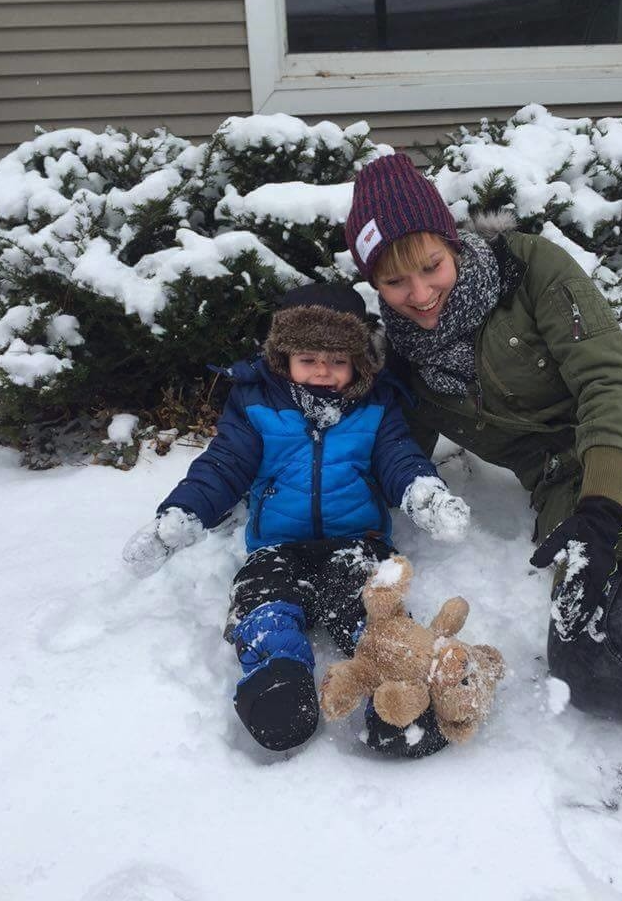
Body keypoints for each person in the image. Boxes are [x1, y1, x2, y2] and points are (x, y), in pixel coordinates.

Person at [345, 152, 622, 724]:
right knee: (589, 668)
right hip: (585, 505)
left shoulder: (531, 269)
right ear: (374, 285)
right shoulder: (407, 364)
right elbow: (391, 459)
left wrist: (602, 504)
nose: (420, 292)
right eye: (394, 281)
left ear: (452, 243)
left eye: (431, 265)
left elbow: (608, 383)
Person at [123, 283, 470, 754]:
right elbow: (223, 466)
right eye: (308, 358)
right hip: (277, 547)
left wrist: (423, 494)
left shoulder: (375, 405)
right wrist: (182, 515)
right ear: (283, 357)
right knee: (264, 600)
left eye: (337, 360)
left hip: (357, 542)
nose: (322, 372)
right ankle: (276, 677)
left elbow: (397, 457)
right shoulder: (255, 405)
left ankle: (403, 697)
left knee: (371, 606)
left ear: (360, 363)